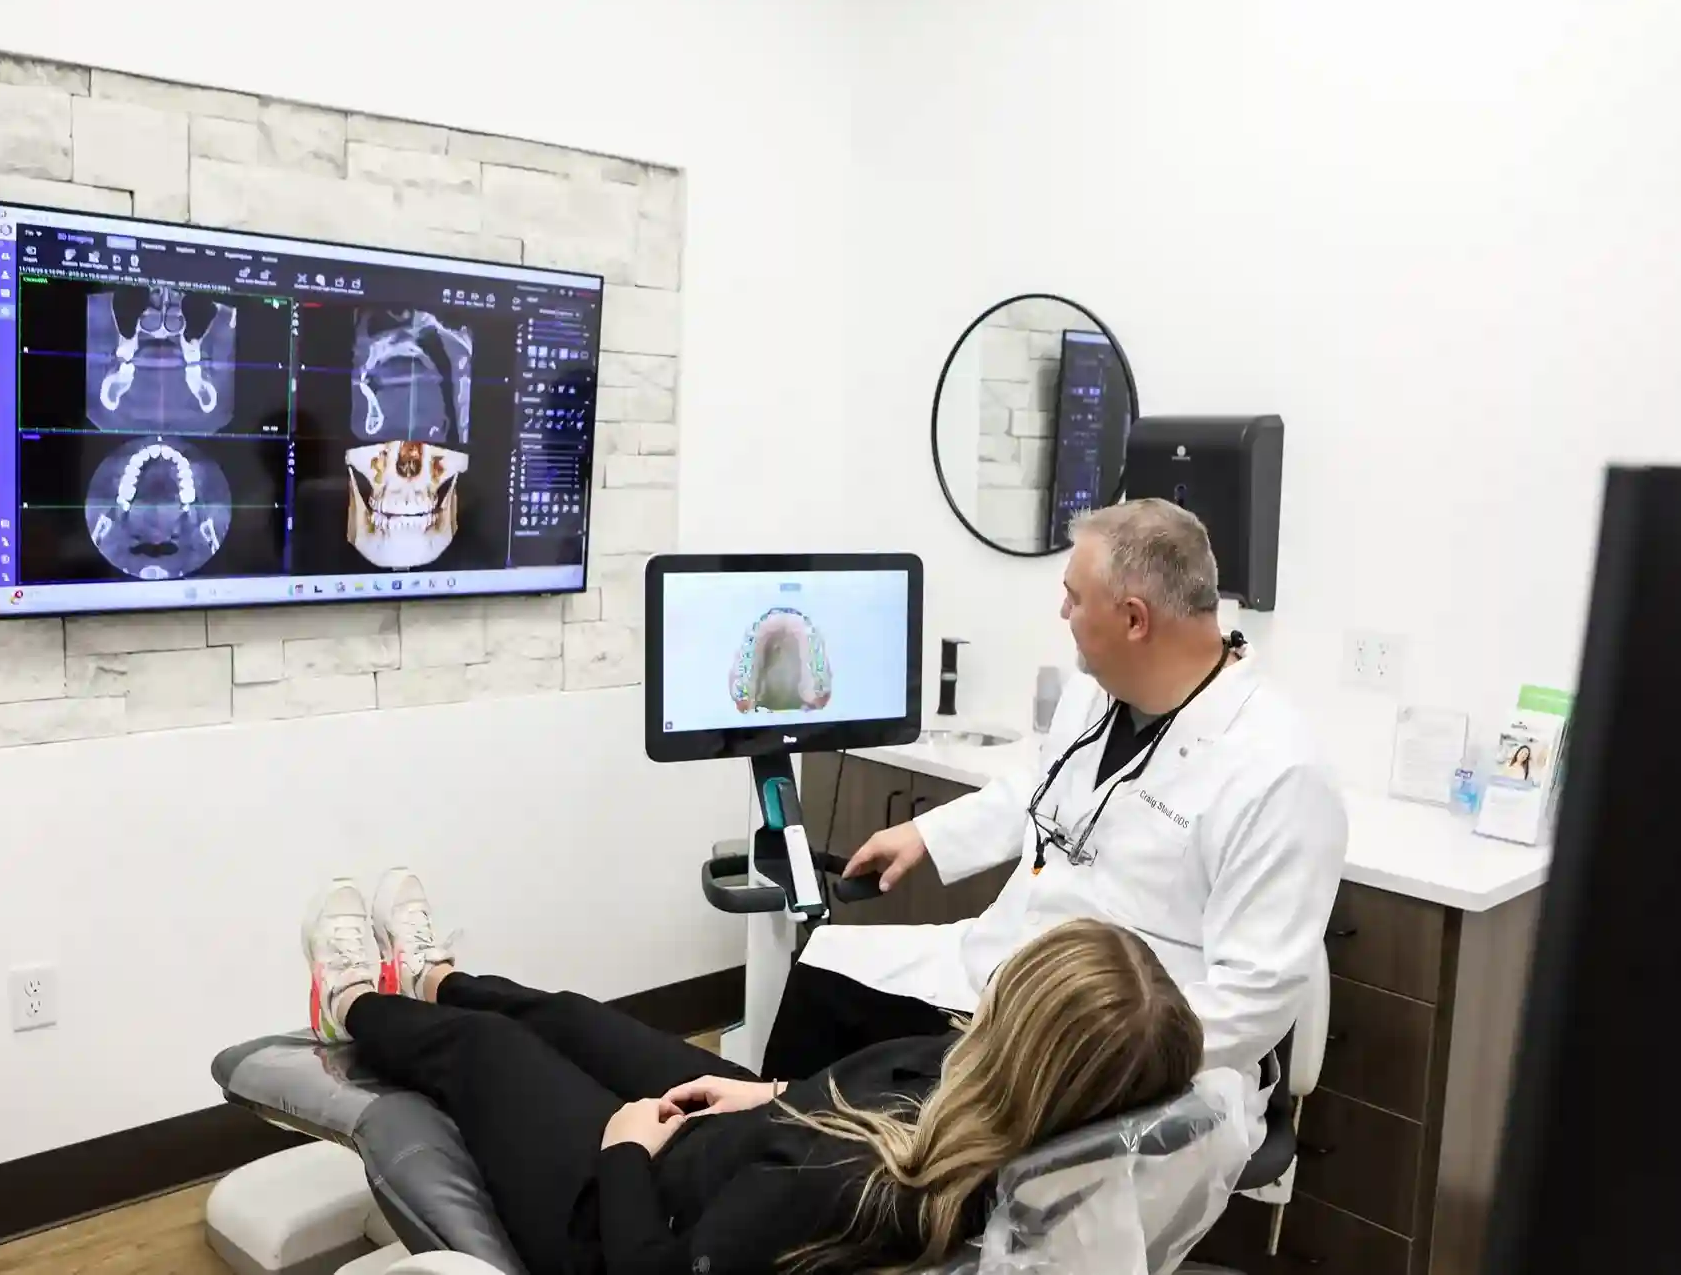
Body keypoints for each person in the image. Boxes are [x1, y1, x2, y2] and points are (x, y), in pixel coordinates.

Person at [766, 499, 1347, 1136]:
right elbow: (1044, 788)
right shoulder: (1100, 688)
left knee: (889, 1098)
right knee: (823, 977)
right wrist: (928, 834)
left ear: (1133, 619)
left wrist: (1085, 1056)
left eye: (1073, 598)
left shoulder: (1278, 774)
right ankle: (766, 1165)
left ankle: (852, 1198)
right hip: (1009, 975)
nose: (1063, 614)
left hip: (1113, 1047)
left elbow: (1253, 999)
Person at [304, 869, 1203, 1275]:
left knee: (490, 1054)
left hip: (626, 1218)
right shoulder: (1000, 1092)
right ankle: (431, 975)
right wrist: (769, 1093)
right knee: (575, 1018)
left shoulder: (845, 1185)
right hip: (742, 1137)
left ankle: (348, 998)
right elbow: (865, 1089)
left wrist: (621, 1151)